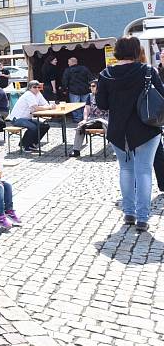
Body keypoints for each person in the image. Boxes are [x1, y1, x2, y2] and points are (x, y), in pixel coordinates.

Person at [97, 35, 164, 232]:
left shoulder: (106, 74)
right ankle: (143, 218)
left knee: (126, 170)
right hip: (147, 128)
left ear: (117, 50)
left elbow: (101, 105)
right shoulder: (148, 71)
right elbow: (161, 98)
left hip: (119, 131)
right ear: (137, 50)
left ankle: (129, 213)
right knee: (144, 171)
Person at [7, 81, 53, 153]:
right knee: (33, 127)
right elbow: (36, 108)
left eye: (38, 87)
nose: (37, 89)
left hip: (27, 118)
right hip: (17, 118)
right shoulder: (28, 94)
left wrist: (48, 106)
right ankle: (25, 145)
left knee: (45, 126)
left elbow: (45, 103)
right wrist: (49, 107)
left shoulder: (38, 93)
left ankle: (31, 143)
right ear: (29, 88)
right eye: (34, 87)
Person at [71, 80, 110, 158]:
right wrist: (84, 119)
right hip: (92, 119)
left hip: (104, 119)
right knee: (80, 126)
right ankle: (76, 151)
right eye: (91, 86)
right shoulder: (90, 96)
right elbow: (87, 109)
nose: (91, 88)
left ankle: (116, 148)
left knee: (108, 126)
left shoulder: (107, 95)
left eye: (93, 86)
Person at [62, 57, 93, 123]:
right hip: (85, 90)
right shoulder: (84, 68)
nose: (68, 63)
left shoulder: (68, 70)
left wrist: (64, 89)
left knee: (75, 106)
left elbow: (65, 80)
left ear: (72, 62)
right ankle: (86, 117)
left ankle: (77, 119)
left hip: (73, 91)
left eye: (69, 62)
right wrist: (91, 86)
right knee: (86, 105)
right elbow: (90, 78)